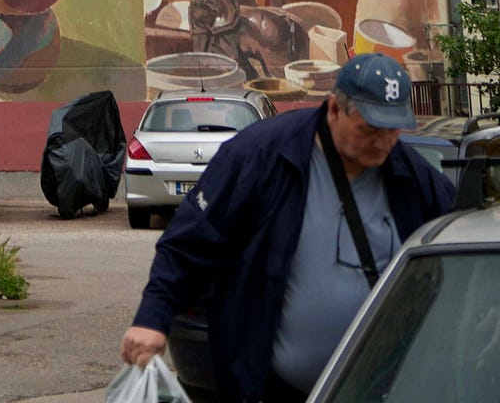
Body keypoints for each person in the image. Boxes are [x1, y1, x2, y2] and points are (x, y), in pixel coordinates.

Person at [122, 56, 453, 402]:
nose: (384, 142)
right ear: (334, 109)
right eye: (370, 129)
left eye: (393, 130)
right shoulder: (261, 156)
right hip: (273, 391)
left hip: (380, 392)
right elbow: (189, 243)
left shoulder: (411, 175)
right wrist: (152, 317)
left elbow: (461, 233)